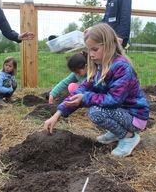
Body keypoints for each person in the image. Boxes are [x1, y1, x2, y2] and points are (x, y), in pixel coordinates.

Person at [44, 23, 149, 157]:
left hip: (135, 116)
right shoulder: (100, 67)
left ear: (109, 45)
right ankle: (117, 132)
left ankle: (128, 137)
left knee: (95, 112)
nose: (91, 55)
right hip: (122, 114)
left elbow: (114, 99)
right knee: (95, 107)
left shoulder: (121, 67)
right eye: (89, 50)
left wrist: (86, 98)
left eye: (95, 49)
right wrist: (57, 114)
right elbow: (81, 90)